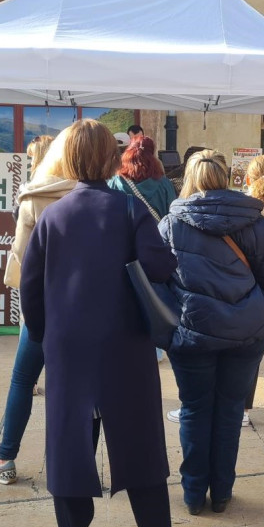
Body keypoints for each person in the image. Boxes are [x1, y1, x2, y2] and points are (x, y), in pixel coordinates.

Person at [20, 119, 188, 527]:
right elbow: (159, 267)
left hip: (67, 346)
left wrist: (43, 337)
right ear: (112, 160)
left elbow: (30, 287)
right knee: (140, 441)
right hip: (125, 342)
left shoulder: (52, 216)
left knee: (70, 442)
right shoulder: (130, 210)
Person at [158, 149, 264, 516]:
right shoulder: (255, 221)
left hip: (193, 332)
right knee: (230, 411)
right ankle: (223, 493)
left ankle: (194, 494)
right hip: (245, 332)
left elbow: (158, 279)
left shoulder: (171, 224)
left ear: (190, 181)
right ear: (226, 179)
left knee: (195, 409)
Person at [0, 129, 78, 485]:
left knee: (23, 379)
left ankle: (5, 458)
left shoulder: (33, 198)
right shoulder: (94, 195)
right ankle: (71, 466)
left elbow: (20, 260)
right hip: (83, 307)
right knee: (77, 388)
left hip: (43, 306)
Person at [109, 136, 177, 362]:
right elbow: (171, 215)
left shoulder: (117, 182)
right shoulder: (163, 183)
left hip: (124, 249)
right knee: (154, 297)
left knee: (127, 297)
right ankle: (156, 348)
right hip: (155, 248)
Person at [108, 136, 177, 222]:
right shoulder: (164, 184)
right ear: (153, 156)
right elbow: (173, 216)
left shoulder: (115, 182)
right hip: (155, 234)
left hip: (123, 234)